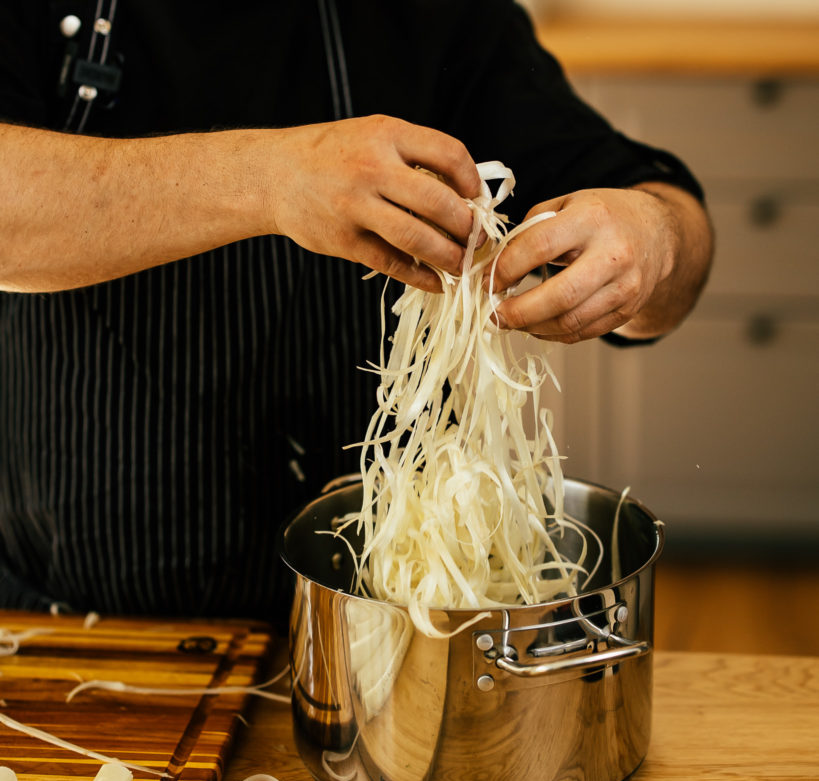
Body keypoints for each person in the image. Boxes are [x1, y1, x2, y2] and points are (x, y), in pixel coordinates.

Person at [0, 0, 713, 628]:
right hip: (88, 631)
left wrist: (654, 236)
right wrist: (268, 178)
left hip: (394, 628)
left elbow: (669, 242)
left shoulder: (433, 15)